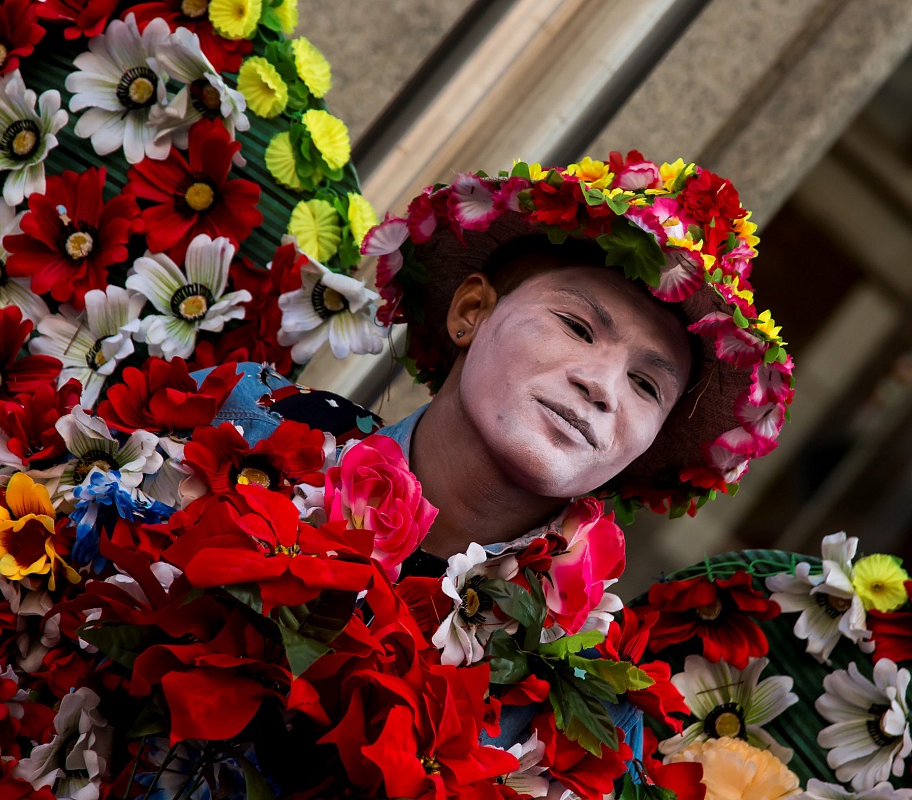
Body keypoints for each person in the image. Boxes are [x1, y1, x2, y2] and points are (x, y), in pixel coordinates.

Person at [202, 153, 794, 756]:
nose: (603, 388)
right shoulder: (247, 426)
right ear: (470, 313)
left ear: (644, 450)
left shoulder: (587, 716)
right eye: (578, 327)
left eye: (647, 386)